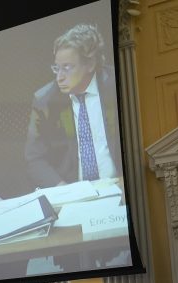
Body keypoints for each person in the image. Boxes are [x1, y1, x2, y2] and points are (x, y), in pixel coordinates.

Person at [24, 23, 121, 188]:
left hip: (119, 185)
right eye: (57, 68)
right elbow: (34, 157)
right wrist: (62, 188)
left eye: (67, 68)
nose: (59, 77)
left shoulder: (117, 84)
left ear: (90, 65)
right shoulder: (45, 101)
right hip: (73, 190)